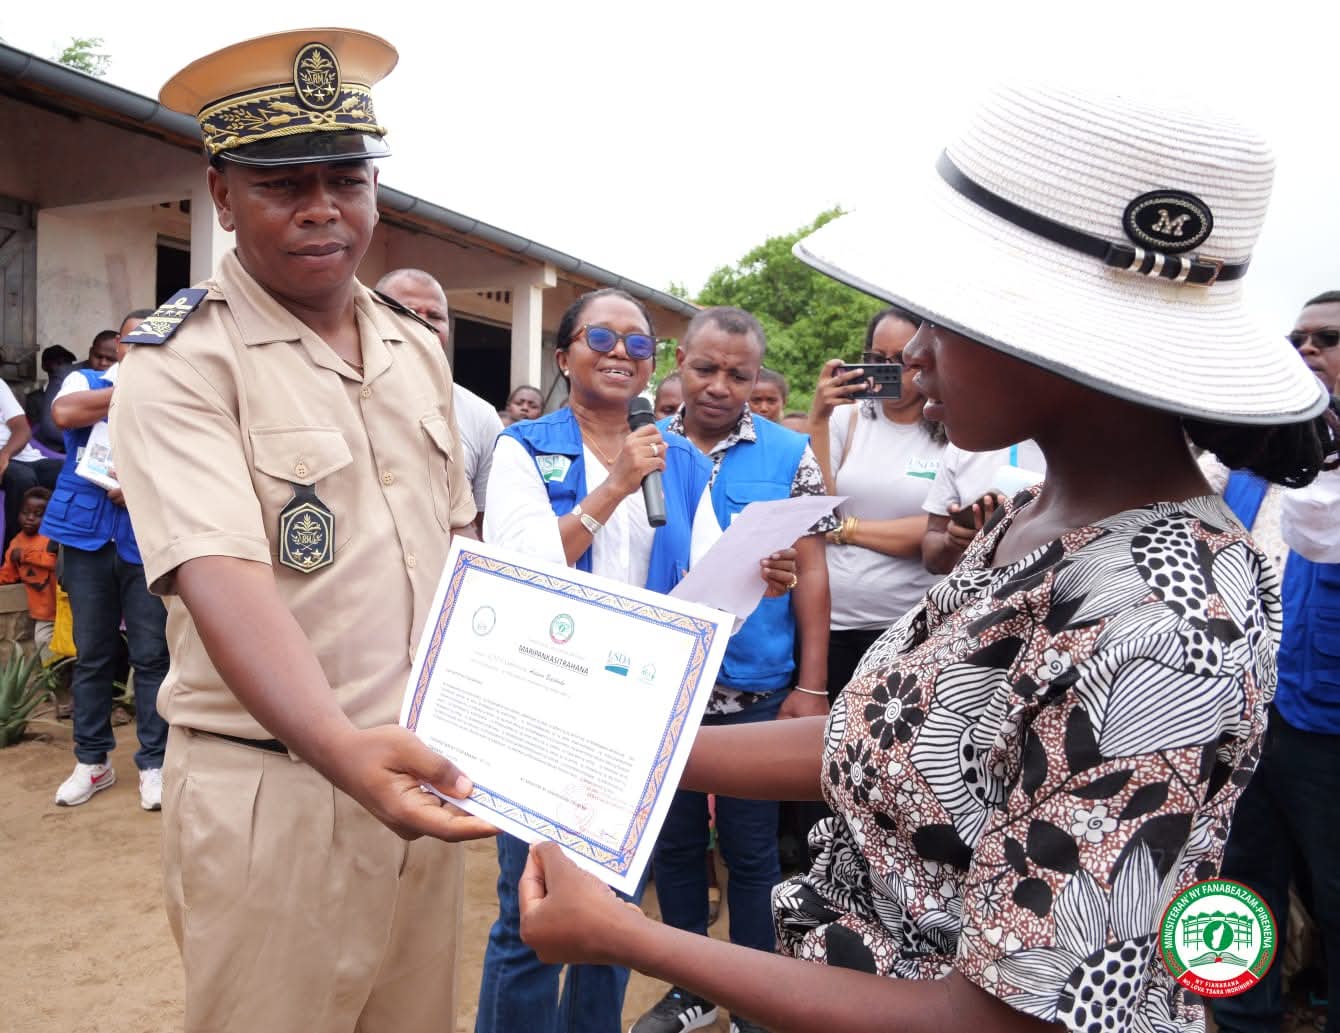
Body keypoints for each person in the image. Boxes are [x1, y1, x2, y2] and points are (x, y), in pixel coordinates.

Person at [515, 83, 1337, 1033]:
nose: (916, 358)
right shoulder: (1037, 515)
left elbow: (1006, 1016)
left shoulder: (1166, 620)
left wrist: (637, 940)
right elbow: (892, 749)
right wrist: (636, 757)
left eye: (946, 318)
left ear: (1063, 331)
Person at [109, 29, 494, 1033]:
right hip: (272, 791)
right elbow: (221, 576)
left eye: (346, 177)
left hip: (410, 783)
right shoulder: (182, 362)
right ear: (222, 193)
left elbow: (460, 553)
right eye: (284, 183)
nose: (324, 207)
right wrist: (341, 750)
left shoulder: (414, 348)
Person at [478, 287, 795, 1033]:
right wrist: (616, 482)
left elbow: (704, 571)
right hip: (542, 698)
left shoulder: (678, 457)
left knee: (614, 909)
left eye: (639, 343)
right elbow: (520, 572)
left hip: (634, 708)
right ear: (564, 356)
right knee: (532, 910)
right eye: (601, 337)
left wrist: (762, 572)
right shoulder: (523, 448)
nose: (621, 352)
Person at [633, 306, 832, 1033]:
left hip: (753, 689)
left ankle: (752, 995)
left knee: (750, 852)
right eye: (705, 368)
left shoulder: (790, 455)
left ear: (757, 378)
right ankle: (692, 987)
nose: (719, 386)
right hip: (658, 683)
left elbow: (811, 573)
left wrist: (811, 686)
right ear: (678, 363)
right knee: (678, 845)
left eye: (739, 375)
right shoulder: (642, 448)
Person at [1212, 290, 1340, 1033]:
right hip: (1242, 712)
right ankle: (1236, 1026)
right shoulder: (1253, 460)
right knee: (1232, 895)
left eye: (1326, 336)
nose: (1305, 349)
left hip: (1326, 724)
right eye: (1295, 337)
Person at [44, 308, 170, 810]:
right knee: (93, 654)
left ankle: (155, 763)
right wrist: (133, 389)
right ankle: (91, 761)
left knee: (152, 656)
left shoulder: (177, 389)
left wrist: (140, 483)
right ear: (117, 346)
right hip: (86, 536)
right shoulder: (87, 379)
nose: (140, 346)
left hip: (145, 538)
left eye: (151, 339)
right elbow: (65, 416)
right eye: (130, 340)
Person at [807, 305, 947, 702]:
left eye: (899, 361)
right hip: (830, 626)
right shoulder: (845, 420)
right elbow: (815, 512)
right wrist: (818, 418)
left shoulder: (953, 431)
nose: (886, 370)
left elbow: (935, 533)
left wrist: (846, 529)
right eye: (875, 359)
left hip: (906, 626)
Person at [376, 267, 504, 524]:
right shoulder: (334, 395)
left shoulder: (481, 416)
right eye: (405, 311)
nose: (422, 323)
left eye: (435, 316)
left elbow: (481, 523)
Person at [0, 364, 63, 548]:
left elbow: (22, 429)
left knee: (69, 474)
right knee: (22, 478)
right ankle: (14, 556)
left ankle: (58, 553)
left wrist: (3, 455)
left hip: (23, 456)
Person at [919, 440, 1047, 575]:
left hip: (1047, 589)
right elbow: (932, 561)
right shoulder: (967, 442)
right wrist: (951, 542)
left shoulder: (1070, 450)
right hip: (973, 590)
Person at [0, 486, 57, 654]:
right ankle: (53, 678)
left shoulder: (51, 539)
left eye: (38, 515)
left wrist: (25, 556)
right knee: (43, 642)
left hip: (66, 608)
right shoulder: (16, 542)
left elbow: (54, 562)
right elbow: (8, 573)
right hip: (44, 613)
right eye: (26, 512)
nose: (30, 518)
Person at [26, 344, 77, 453]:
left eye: (68, 363)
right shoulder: (34, 399)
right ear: (44, 366)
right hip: (48, 451)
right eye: (58, 363)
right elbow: (39, 431)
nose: (64, 367)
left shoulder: (80, 392)